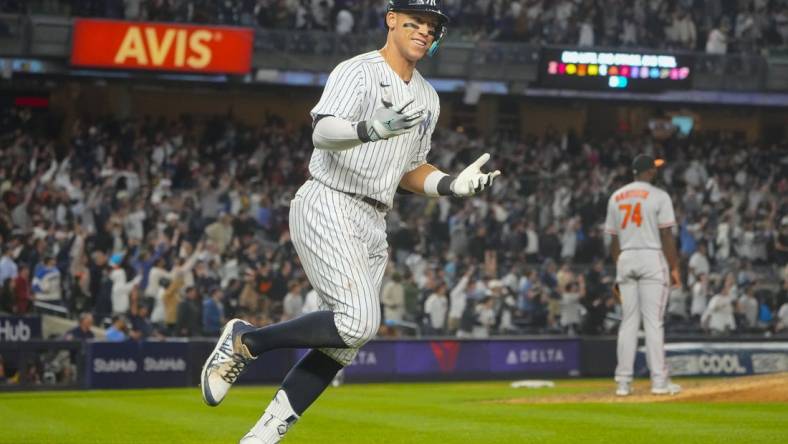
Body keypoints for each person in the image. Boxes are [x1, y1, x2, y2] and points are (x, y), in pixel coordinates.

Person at [199, 2, 501, 442]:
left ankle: (262, 436)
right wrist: (369, 129)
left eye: (432, 26)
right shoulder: (357, 71)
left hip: (374, 217)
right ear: (391, 20)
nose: (423, 31)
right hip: (330, 199)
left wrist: (452, 185)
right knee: (360, 320)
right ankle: (248, 341)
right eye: (414, 21)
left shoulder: (428, 97)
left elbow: (410, 169)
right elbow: (322, 132)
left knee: (343, 343)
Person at [605, 154, 681, 397]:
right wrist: (675, 267)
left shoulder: (616, 197)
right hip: (651, 256)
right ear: (649, 172)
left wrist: (620, 268)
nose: (654, 173)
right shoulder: (659, 196)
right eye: (653, 169)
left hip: (626, 257)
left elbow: (613, 240)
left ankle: (623, 383)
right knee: (652, 322)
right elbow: (667, 236)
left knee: (628, 323)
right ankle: (659, 381)